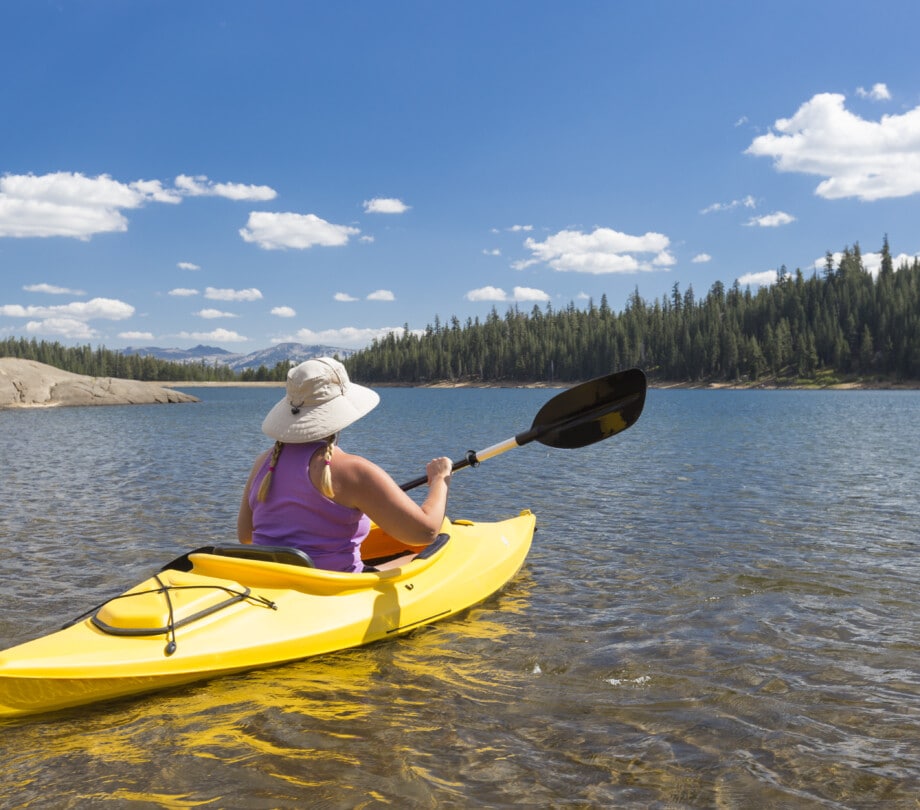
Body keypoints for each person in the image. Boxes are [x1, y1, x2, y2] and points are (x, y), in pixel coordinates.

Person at [237, 357, 452, 573]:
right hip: (334, 587)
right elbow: (425, 533)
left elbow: (246, 535)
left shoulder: (264, 462)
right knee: (421, 556)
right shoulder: (354, 471)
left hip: (269, 581)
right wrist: (439, 479)